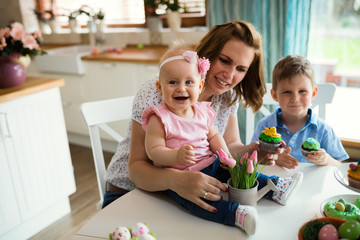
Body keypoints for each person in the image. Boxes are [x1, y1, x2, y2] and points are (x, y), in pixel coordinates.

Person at [104, 21, 289, 215]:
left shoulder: (227, 97)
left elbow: (229, 147)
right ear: (208, 54)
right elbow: (136, 169)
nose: (230, 75)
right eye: (225, 60)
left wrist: (253, 152)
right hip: (129, 193)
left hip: (177, 195)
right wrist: (175, 179)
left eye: (241, 69)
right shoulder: (159, 89)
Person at [141, 44, 303, 235]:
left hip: (214, 163)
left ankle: (275, 187)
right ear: (160, 87)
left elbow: (214, 135)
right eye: (173, 82)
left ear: (200, 85)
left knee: (240, 172)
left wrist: (226, 156)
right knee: (200, 202)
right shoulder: (159, 117)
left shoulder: (201, 110)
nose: (181, 88)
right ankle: (236, 215)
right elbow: (154, 150)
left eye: (189, 82)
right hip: (183, 177)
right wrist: (176, 156)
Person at [251, 55, 349, 169]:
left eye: (302, 91)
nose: (295, 99)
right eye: (287, 92)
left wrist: (326, 160)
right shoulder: (265, 126)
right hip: (272, 184)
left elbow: (339, 165)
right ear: (274, 95)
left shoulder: (323, 130)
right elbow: (252, 157)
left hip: (312, 185)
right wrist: (273, 158)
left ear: (313, 93)